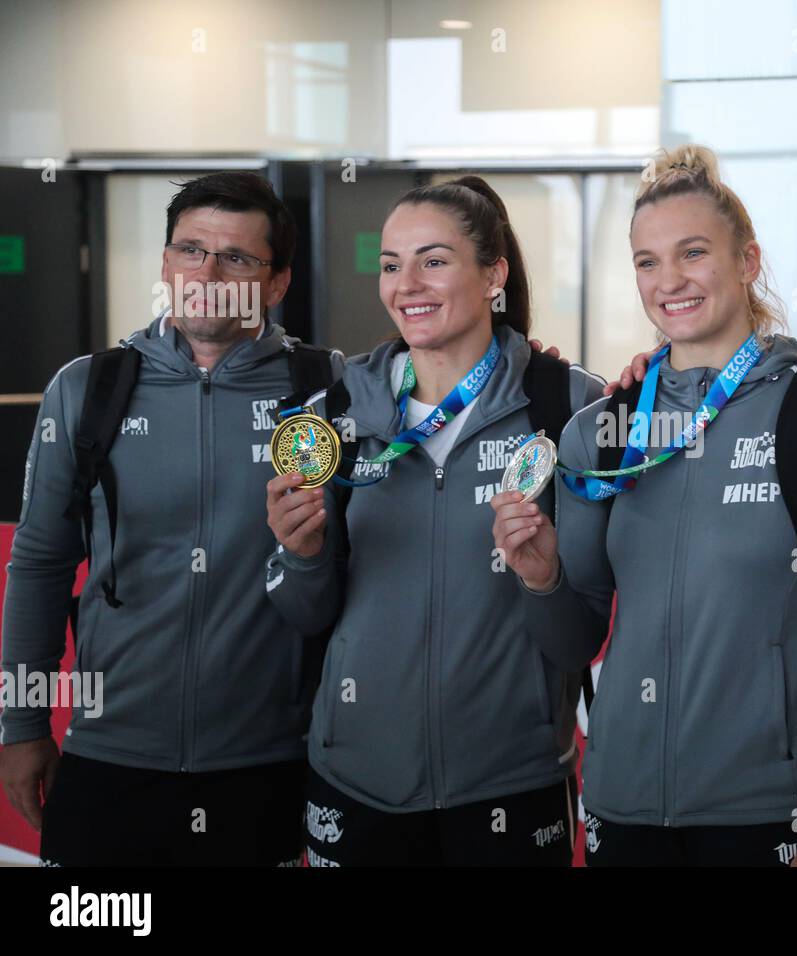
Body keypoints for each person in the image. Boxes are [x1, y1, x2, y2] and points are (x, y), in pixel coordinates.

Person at [491, 145, 797, 867]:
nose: (669, 281)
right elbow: (572, 642)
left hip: (772, 813)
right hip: (622, 810)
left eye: (692, 253)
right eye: (647, 262)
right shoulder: (601, 433)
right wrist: (540, 579)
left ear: (747, 261)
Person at [1, 172, 342, 865]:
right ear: (165, 265)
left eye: (237, 258)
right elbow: (40, 561)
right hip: (111, 755)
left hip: (270, 761)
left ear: (276, 282)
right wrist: (20, 723)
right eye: (190, 250)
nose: (207, 273)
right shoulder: (88, 388)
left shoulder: (328, 389)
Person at [264, 177, 605, 866]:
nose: (407, 284)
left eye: (434, 260)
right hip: (356, 783)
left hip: (509, 787)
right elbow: (305, 617)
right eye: (391, 264)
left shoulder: (569, 408)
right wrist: (300, 554)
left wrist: (542, 579)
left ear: (494, 272)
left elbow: (577, 641)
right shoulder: (329, 417)